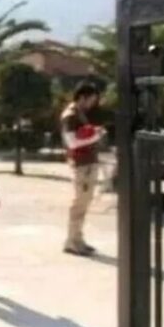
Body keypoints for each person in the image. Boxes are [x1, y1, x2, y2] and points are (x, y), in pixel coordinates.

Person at [60, 82, 106, 256]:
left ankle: (77, 239)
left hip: (86, 163)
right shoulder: (71, 116)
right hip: (82, 165)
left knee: (83, 203)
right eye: (91, 99)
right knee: (79, 204)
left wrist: (93, 132)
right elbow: (72, 142)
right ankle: (72, 241)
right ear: (82, 97)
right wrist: (96, 136)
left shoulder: (78, 114)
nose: (93, 103)